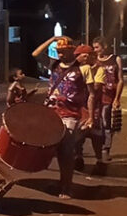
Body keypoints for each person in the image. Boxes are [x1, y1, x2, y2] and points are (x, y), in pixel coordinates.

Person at [32, 36, 97, 199]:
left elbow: (91, 94)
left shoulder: (83, 68)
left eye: (64, 51)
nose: (61, 54)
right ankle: (62, 182)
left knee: (66, 150)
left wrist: (90, 117)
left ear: (71, 50)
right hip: (52, 112)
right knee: (54, 149)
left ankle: (67, 186)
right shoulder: (53, 64)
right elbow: (35, 54)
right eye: (59, 52)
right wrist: (52, 39)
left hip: (71, 114)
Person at [74, 44, 107, 174]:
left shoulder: (99, 69)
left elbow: (97, 88)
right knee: (78, 136)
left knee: (96, 136)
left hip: (94, 108)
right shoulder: (77, 69)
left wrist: (86, 77)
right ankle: (78, 157)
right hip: (79, 107)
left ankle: (99, 160)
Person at [92, 36, 124, 163]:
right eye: (94, 48)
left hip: (109, 97)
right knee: (95, 123)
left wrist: (117, 98)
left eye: (97, 47)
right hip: (95, 97)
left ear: (104, 46)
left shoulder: (115, 59)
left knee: (107, 123)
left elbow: (120, 79)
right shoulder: (93, 60)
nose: (95, 50)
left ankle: (106, 149)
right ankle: (96, 150)